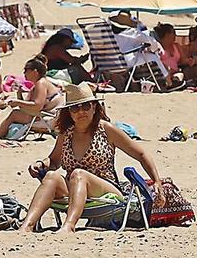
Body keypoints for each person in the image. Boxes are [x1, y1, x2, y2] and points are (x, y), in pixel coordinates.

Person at [18, 83, 166, 233]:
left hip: (106, 188)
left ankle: (69, 226)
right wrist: (40, 164)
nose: (80, 111)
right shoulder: (66, 133)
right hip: (73, 188)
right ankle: (27, 225)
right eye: (75, 108)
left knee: (78, 173)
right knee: (50, 176)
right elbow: (54, 160)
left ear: (94, 107)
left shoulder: (106, 130)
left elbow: (141, 154)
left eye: (86, 106)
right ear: (69, 112)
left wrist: (156, 181)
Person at [0, 57, 63, 139]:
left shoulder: (41, 84)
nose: (24, 73)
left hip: (50, 119)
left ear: (35, 71)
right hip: (44, 116)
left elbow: (37, 106)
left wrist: (17, 102)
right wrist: (19, 93)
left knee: (14, 114)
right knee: (16, 113)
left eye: (26, 70)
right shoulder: (36, 85)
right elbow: (24, 107)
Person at [154, 23, 185, 90]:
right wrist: (166, 68)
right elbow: (155, 61)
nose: (175, 35)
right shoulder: (157, 47)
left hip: (175, 73)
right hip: (162, 73)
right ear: (167, 34)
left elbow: (184, 59)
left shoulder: (177, 46)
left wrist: (190, 61)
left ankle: (174, 84)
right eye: (173, 33)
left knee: (179, 75)